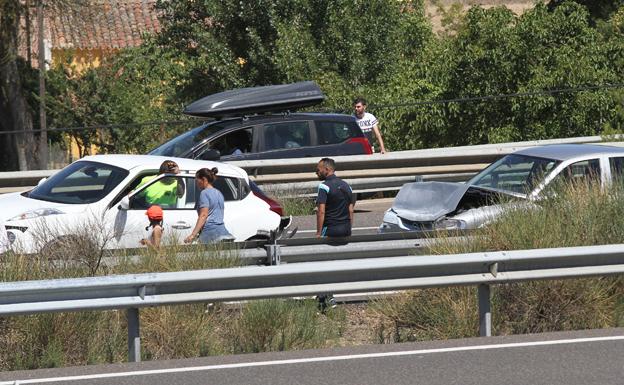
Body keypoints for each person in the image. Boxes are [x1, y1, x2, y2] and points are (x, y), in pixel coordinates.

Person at [184, 167, 233, 244]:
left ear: (204, 179)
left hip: (210, 232)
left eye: (197, 181)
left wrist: (192, 235)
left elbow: (203, 215)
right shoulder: (219, 193)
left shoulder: (204, 193)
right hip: (223, 231)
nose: (196, 184)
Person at [315, 158, 355, 238]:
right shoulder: (347, 186)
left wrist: (319, 233)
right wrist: (349, 229)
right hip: (346, 229)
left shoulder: (324, 186)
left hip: (331, 229)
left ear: (327, 169)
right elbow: (351, 210)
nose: (317, 173)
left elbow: (321, 212)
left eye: (318, 170)